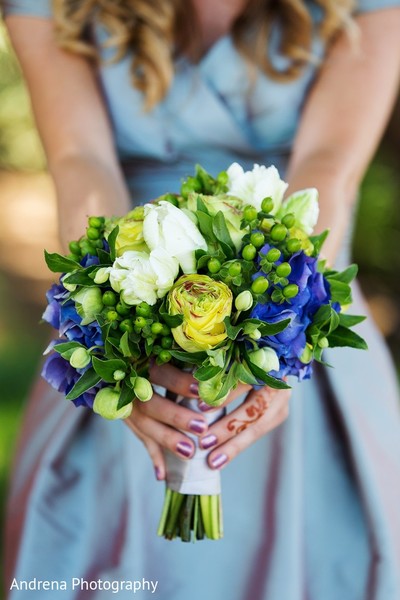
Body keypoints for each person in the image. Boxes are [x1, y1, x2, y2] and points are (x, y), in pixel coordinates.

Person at [2, 0, 400, 598]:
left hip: (288, 286)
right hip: (123, 272)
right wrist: (121, 331)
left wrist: (277, 332)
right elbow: (79, 160)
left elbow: (330, 169)